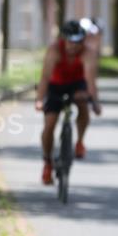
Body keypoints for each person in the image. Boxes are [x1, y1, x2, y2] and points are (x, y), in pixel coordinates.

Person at [35, 20, 101, 185]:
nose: (74, 46)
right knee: (49, 124)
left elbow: (90, 80)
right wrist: (39, 99)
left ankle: (79, 141)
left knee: (83, 104)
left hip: (77, 84)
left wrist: (95, 102)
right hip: (56, 86)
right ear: (64, 40)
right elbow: (45, 77)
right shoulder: (54, 51)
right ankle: (47, 162)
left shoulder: (88, 53)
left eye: (78, 42)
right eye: (71, 42)